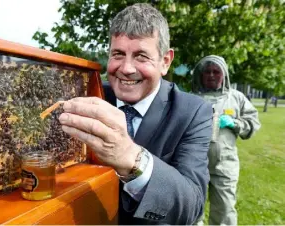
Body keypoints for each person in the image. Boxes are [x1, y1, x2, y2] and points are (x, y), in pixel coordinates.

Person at [58, 3, 213, 224]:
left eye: (141, 56)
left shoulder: (193, 112)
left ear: (165, 61)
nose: (127, 68)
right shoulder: (89, 97)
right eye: (118, 54)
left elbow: (191, 207)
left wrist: (131, 158)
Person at [192, 55, 261, 225]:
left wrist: (235, 124)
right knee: (192, 208)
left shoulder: (236, 98)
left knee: (224, 209)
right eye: (207, 71)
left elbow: (253, 122)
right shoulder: (191, 98)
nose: (211, 75)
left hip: (225, 165)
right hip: (194, 164)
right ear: (201, 74)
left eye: (216, 71)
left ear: (224, 75)